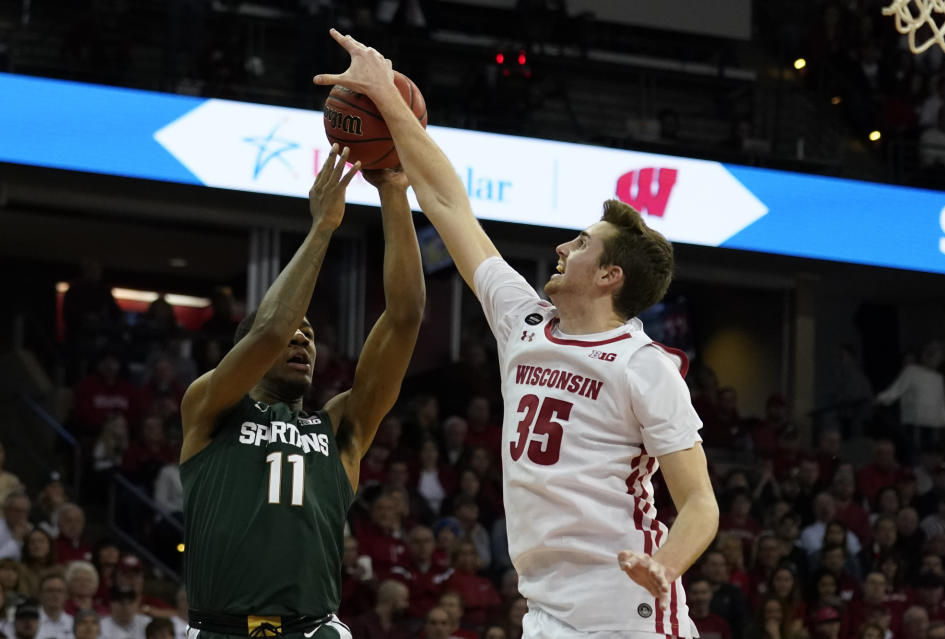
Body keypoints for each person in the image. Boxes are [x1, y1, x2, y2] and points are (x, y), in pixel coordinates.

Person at [316, 29, 719, 639]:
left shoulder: (644, 366)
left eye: (580, 244)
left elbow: (700, 505)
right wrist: (390, 107)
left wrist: (663, 567)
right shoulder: (522, 319)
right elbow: (450, 205)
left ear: (610, 276)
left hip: (625, 605)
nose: (562, 246)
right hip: (545, 608)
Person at [179, 146, 425, 639]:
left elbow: (405, 319)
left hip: (313, 630)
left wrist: (395, 195)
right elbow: (270, 330)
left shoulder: (338, 427)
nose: (301, 339)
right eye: (296, 330)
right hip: (219, 629)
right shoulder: (209, 407)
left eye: (311, 336)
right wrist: (322, 227)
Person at [36, 573, 72, 639]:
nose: (55, 595)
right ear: (40, 594)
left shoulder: (72, 623)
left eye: (60, 591)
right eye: (50, 591)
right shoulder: (30, 623)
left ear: (67, 595)